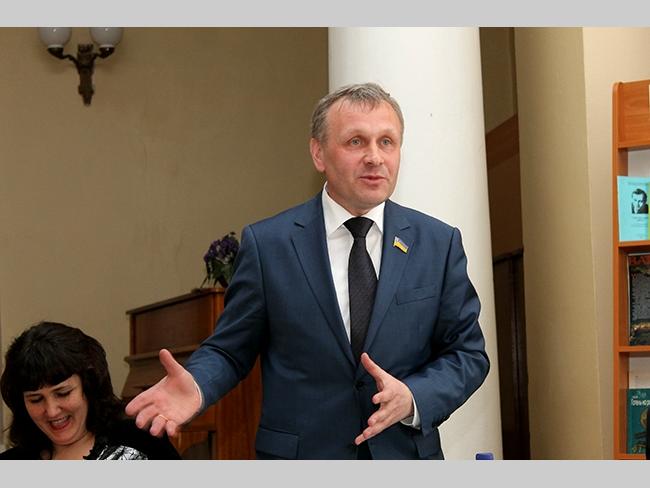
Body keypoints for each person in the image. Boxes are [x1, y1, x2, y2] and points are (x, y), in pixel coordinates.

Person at [126, 82, 490, 460]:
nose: (374, 157)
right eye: (356, 142)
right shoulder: (269, 245)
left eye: (387, 142)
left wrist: (415, 397)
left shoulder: (438, 243)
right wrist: (199, 385)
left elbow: (467, 354)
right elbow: (231, 350)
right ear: (319, 153)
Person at [0, 321, 181, 460]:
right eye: (36, 399)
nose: (52, 411)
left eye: (63, 393)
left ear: (88, 386)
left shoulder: (139, 439)